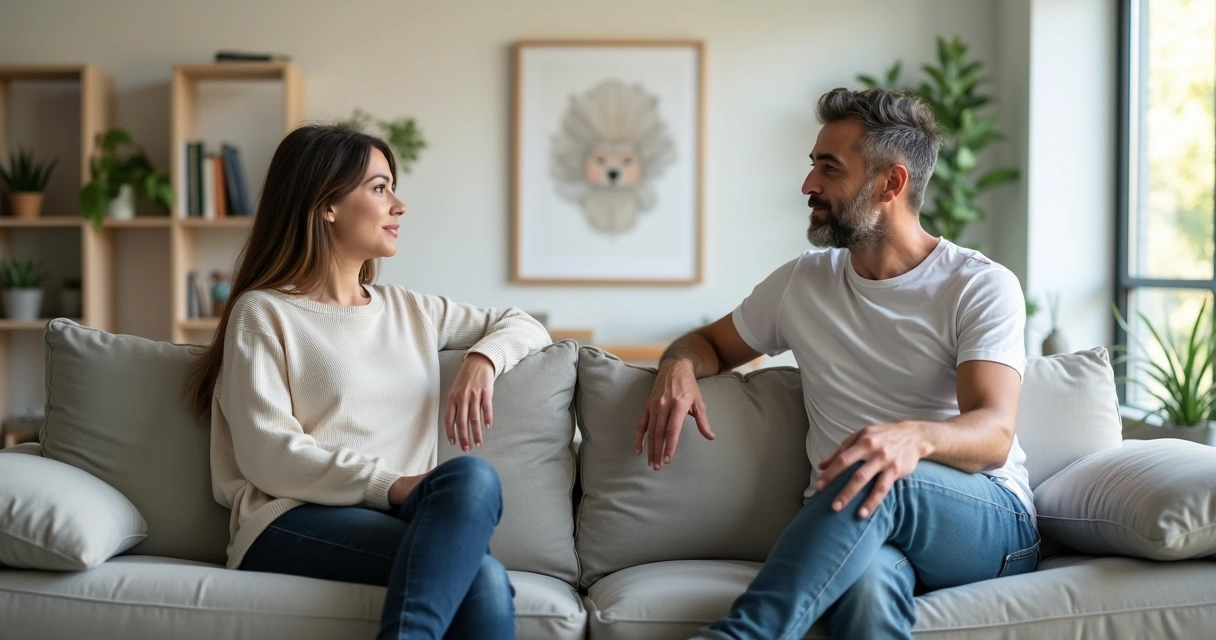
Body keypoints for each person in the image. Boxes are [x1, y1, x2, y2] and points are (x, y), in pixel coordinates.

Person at [636, 88, 1039, 640]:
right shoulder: (805, 281)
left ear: (890, 184)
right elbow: (707, 343)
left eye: (829, 169)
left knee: (882, 474)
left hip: (985, 518)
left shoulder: (978, 285)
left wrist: (910, 441)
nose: (808, 186)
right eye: (812, 167)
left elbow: (993, 433)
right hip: (857, 522)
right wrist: (678, 366)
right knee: (867, 595)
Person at [187, 124, 549, 640]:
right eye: (380, 188)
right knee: (482, 572)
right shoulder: (264, 312)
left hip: (395, 516)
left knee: (474, 479)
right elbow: (270, 455)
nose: (398, 205)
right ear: (327, 205)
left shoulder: (410, 310)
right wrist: (396, 486)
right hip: (288, 521)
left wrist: (482, 360)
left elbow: (525, 323)